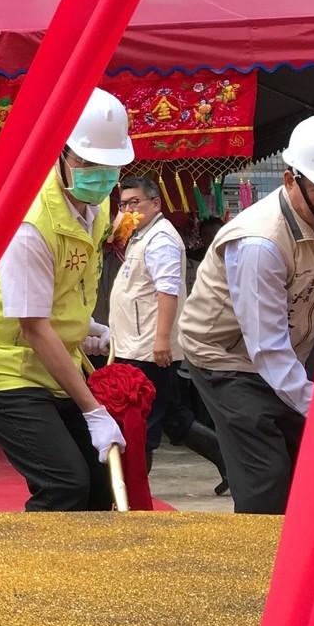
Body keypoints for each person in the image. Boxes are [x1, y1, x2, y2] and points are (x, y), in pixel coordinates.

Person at [179, 113, 314, 515]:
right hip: (228, 359)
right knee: (267, 477)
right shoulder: (258, 243)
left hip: (290, 344)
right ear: (290, 179)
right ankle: (258, 563)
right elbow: (265, 346)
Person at [0, 90, 133, 512]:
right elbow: (33, 327)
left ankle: (79, 574)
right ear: (60, 154)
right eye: (87, 163)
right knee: (64, 485)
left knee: (99, 485)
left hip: (52, 359)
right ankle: (30, 576)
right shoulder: (30, 222)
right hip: (1, 364)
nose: (100, 174)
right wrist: (92, 411)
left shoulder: (97, 205)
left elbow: (69, 284)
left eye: (110, 166)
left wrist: (85, 328)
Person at [110, 176, 224, 477]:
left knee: (142, 419)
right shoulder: (141, 234)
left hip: (148, 346)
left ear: (156, 203)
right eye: (124, 204)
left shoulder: (161, 238)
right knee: (172, 414)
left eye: (136, 202)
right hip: (138, 341)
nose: (130, 209)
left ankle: (136, 488)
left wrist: (161, 340)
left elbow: (167, 290)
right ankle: (227, 463)